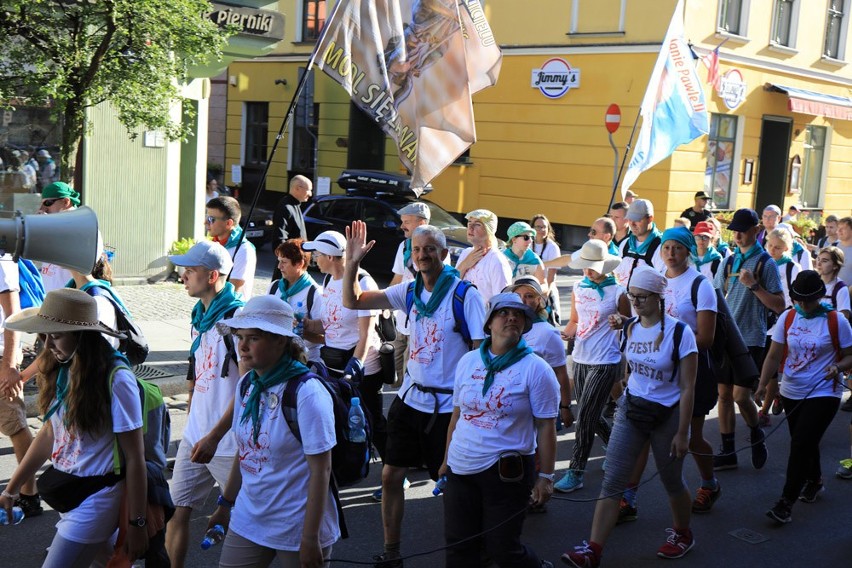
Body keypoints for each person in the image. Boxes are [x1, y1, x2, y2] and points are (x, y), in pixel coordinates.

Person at [340, 221, 486, 568]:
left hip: (448, 406)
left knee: (451, 484)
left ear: (444, 254)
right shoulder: (408, 291)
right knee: (391, 476)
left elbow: (481, 353)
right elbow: (353, 300)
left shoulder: (466, 295)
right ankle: (392, 553)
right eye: (416, 250)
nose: (421, 255)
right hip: (410, 399)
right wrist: (352, 263)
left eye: (429, 250)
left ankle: (469, 553)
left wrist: (471, 408)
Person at [561, 266, 698, 567]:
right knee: (613, 481)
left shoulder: (680, 332)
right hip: (632, 409)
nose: (635, 302)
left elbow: (688, 386)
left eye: (642, 297)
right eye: (632, 296)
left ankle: (683, 534)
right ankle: (593, 550)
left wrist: (683, 432)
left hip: (667, 415)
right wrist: (623, 383)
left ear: (658, 298)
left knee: (672, 481)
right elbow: (630, 364)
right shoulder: (630, 326)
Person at [0, 289, 148, 566]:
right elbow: (48, 433)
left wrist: (137, 523)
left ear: (81, 336)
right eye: (44, 336)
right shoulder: (62, 367)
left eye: (55, 336)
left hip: (98, 495)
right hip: (69, 490)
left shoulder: (117, 379)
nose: (47, 345)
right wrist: (12, 488)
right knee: (107, 563)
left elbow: (135, 458)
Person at [207, 295, 339, 567]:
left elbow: (321, 470)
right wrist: (225, 504)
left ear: (280, 340)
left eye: (253, 338)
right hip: (249, 519)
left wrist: (310, 537)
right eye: (239, 336)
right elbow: (245, 453)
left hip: (296, 526)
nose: (242, 346)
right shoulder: (247, 384)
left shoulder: (307, 393)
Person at [440, 292, 558, 568]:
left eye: (519, 315)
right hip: (461, 468)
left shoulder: (536, 369)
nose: (512, 318)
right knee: (459, 548)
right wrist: (446, 460)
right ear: (489, 323)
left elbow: (546, 426)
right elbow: (457, 414)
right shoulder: (468, 362)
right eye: (504, 313)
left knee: (503, 549)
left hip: (506, 474)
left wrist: (546, 476)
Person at [165, 241, 245, 568]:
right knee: (176, 511)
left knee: (244, 526)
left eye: (191, 270)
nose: (183, 275)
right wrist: (192, 395)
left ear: (212, 276)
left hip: (227, 444)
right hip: (194, 436)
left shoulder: (238, 318)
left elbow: (248, 390)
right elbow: (199, 363)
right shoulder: (200, 314)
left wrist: (214, 436)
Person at [756, 271, 852, 524]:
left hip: (824, 390)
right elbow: (774, 355)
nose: (802, 305)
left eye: (808, 300)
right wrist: (763, 384)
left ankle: (785, 502)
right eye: (798, 299)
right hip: (791, 390)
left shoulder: (836, 320)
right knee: (805, 441)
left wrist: (838, 367)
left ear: (820, 297)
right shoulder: (787, 317)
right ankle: (815, 480)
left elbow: (850, 355)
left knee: (800, 443)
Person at [301, 230, 388, 496]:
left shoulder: (363, 281)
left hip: (362, 368)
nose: (313, 257)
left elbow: (367, 333)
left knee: (371, 420)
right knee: (337, 419)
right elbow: (327, 325)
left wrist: (357, 365)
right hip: (332, 363)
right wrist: (300, 324)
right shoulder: (328, 280)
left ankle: (393, 471)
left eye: (317, 253)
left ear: (331, 256)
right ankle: (341, 469)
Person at [712, 208, 784, 471]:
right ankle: (728, 450)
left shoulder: (767, 263)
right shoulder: (728, 261)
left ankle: (756, 433)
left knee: (742, 395)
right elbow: (716, 297)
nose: (738, 235)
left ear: (757, 230)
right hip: (726, 337)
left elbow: (779, 305)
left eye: (743, 230)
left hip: (751, 338)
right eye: (735, 230)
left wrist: (754, 286)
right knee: (723, 394)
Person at [555, 240, 628, 494]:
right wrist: (567, 333)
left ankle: (576, 472)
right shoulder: (578, 286)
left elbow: (631, 322)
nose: (588, 271)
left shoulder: (618, 291)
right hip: (581, 357)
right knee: (591, 414)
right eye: (585, 267)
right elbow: (575, 320)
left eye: (593, 267)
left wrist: (621, 320)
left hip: (606, 360)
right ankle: (617, 448)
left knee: (585, 415)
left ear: (605, 266)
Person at [0, 253, 41, 519]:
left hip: (0, 358)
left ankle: (29, 494)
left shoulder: (2, 259)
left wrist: (9, 363)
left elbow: (12, 314)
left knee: (14, 424)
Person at [389, 202, 434, 385]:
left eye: (407, 221)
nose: (402, 226)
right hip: (400, 320)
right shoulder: (404, 246)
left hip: (419, 321)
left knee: (411, 377)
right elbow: (397, 278)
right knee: (391, 373)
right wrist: (386, 304)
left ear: (421, 223)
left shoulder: (435, 248)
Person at [268, 239, 324, 362]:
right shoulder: (275, 287)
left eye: (284, 262)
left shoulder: (315, 293)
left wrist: (299, 331)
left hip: (304, 361)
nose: (279, 267)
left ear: (299, 263)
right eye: (279, 261)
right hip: (276, 357)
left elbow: (324, 337)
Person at [206, 196, 257, 300]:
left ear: (228, 223)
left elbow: (233, 290)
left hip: (232, 312)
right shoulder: (213, 244)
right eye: (207, 217)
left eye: (212, 219)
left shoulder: (244, 250)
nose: (206, 222)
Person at [456, 209, 513, 302]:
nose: (470, 227)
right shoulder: (465, 253)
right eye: (469, 222)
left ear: (488, 230)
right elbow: (451, 288)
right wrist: (464, 265)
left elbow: (502, 301)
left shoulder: (497, 260)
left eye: (477, 224)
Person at [613, 199, 666, 288]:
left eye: (637, 220)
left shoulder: (661, 247)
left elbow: (663, 285)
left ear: (650, 218)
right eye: (630, 219)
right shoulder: (625, 244)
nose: (632, 224)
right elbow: (619, 276)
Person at [37, 181, 80, 292]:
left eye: (47, 203)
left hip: (67, 299)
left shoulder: (81, 225)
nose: (42, 209)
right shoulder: (53, 225)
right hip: (50, 298)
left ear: (66, 202)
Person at [271, 175, 312, 282]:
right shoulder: (286, 207)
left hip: (295, 266)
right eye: (309, 190)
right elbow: (279, 240)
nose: (310, 194)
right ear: (297, 188)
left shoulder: (294, 205)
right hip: (288, 269)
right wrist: (288, 262)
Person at [531, 214, 563, 324]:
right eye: (538, 227)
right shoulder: (528, 243)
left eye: (544, 227)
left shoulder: (552, 247)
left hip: (546, 288)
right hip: (530, 287)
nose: (542, 230)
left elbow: (552, 275)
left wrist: (545, 295)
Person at [836, 216, 852, 285]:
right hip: (832, 292)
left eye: (843, 228)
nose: (839, 231)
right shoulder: (833, 247)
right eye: (838, 228)